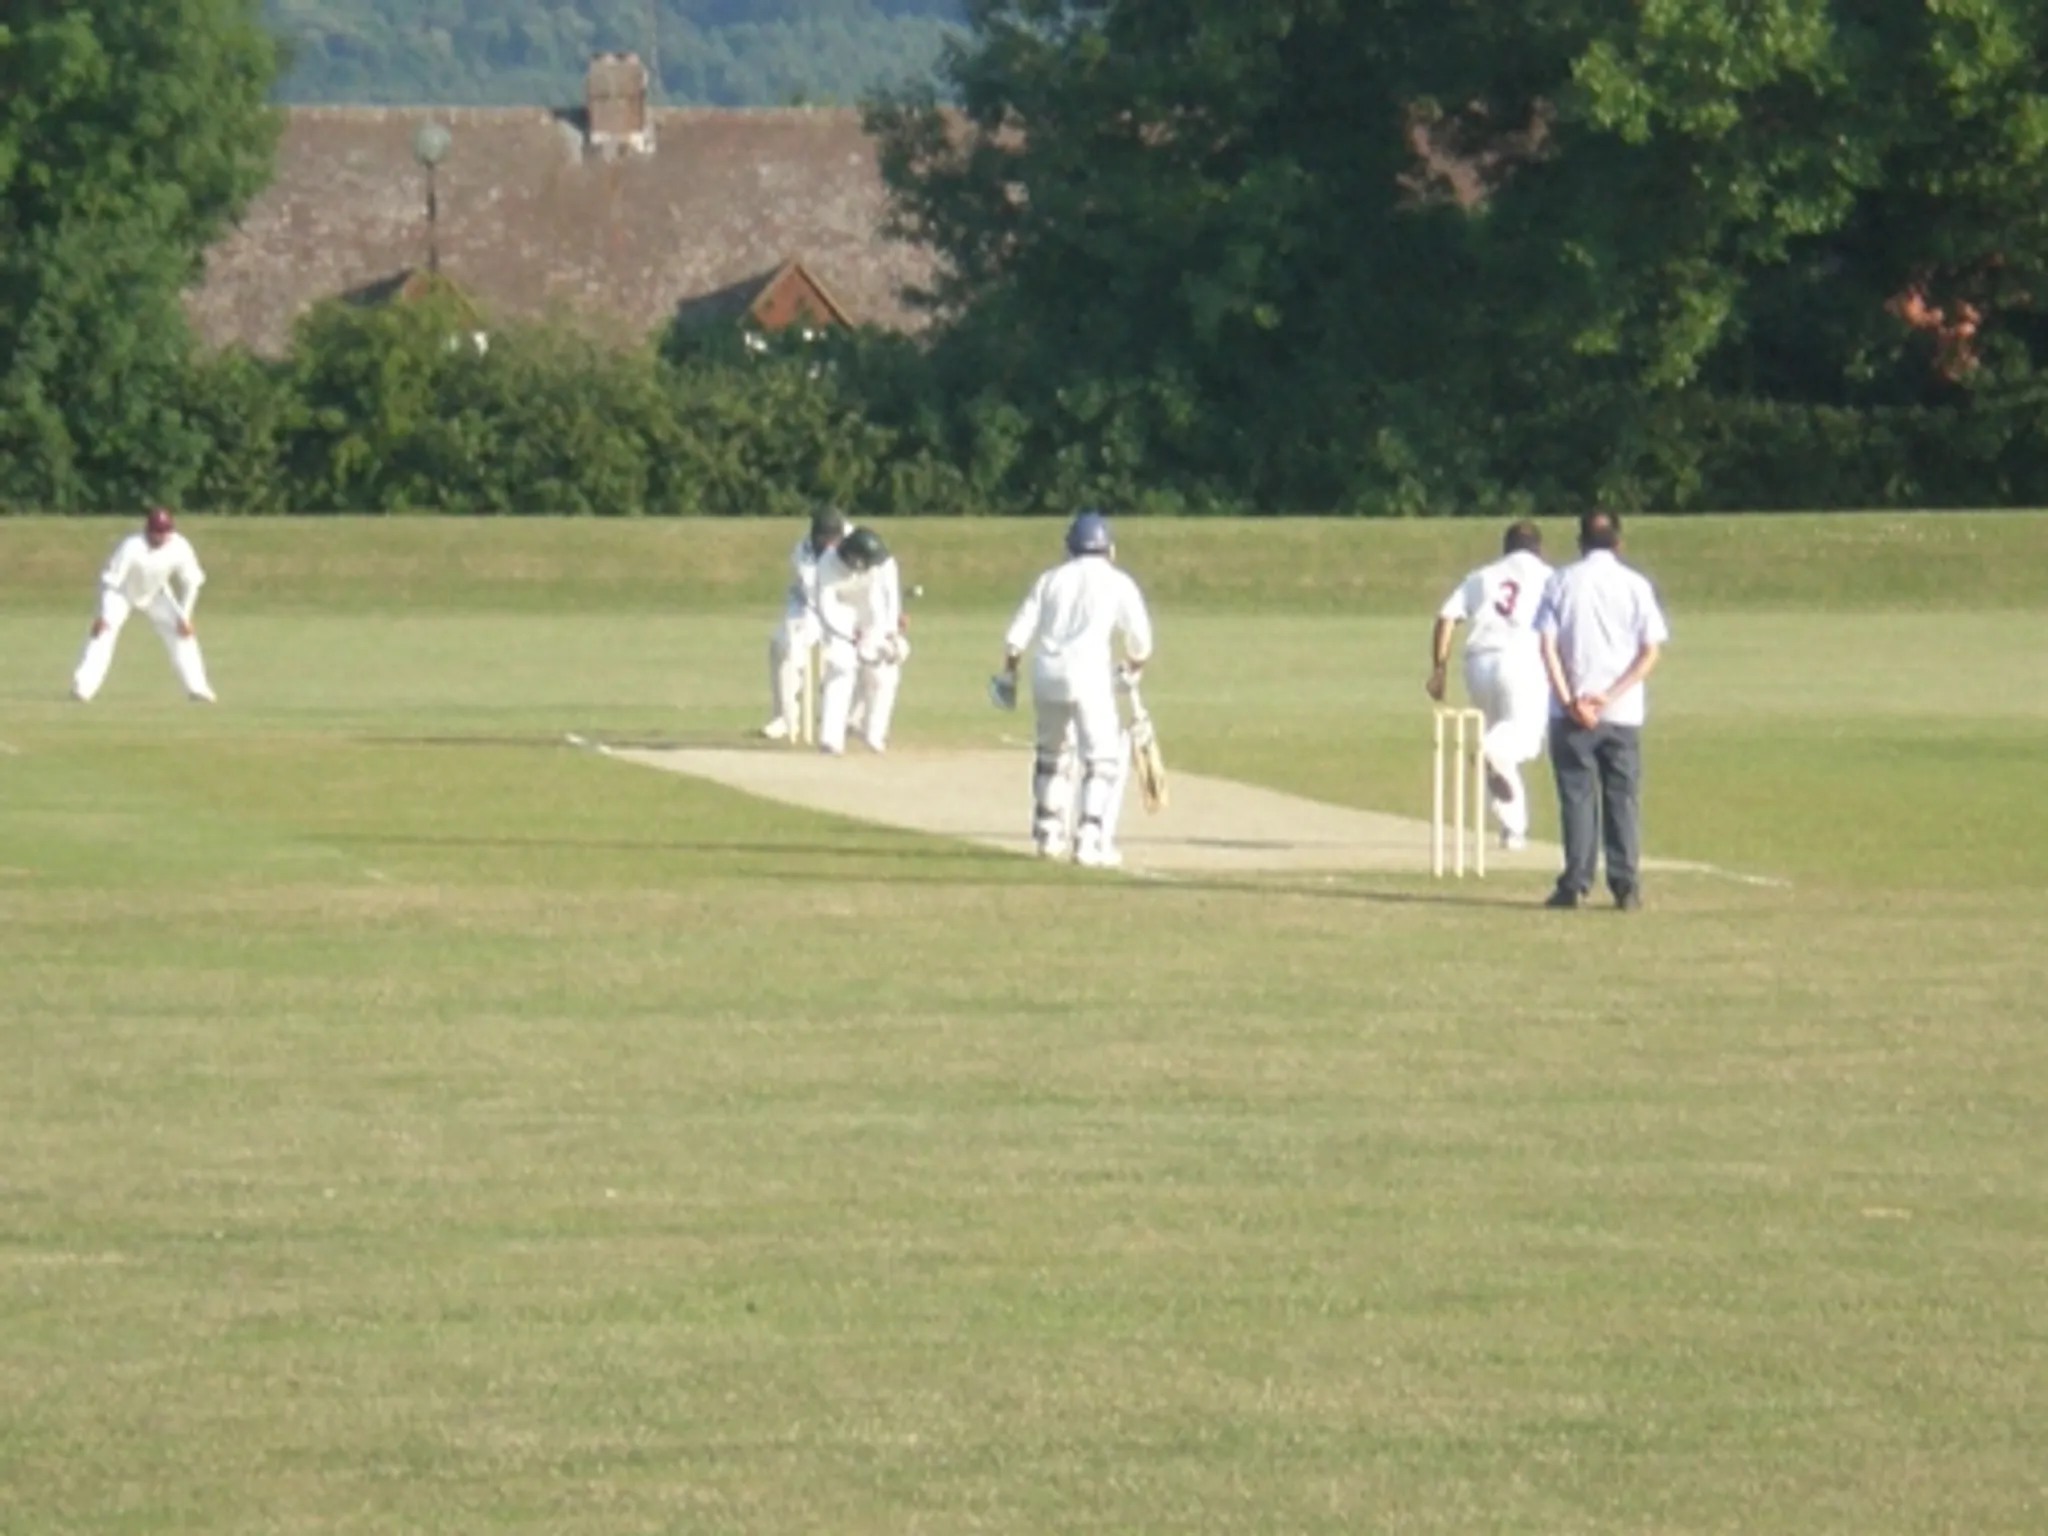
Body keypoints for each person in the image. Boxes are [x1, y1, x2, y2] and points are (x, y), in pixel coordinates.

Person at [993, 509, 1153, 868]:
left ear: (1070, 547)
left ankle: (1048, 835)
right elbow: (1141, 641)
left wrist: (1009, 674)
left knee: (1051, 754)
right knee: (1101, 760)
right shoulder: (1117, 581)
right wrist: (1133, 667)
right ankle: (1088, 840)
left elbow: (1016, 637)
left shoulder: (1050, 579)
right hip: (1090, 676)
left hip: (1046, 674)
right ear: (1108, 548)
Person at [1534, 511, 1671, 910]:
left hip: (1570, 712)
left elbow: (1547, 646)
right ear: (1618, 543)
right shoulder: (1635, 585)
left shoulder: (1560, 581)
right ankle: (1625, 885)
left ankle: (1575, 883)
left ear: (1580, 543)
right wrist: (1608, 697)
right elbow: (1650, 652)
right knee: (1621, 797)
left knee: (1577, 797)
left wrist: (1570, 700)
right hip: (1622, 712)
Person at [1426, 520, 1555, 850]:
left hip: (1478, 663)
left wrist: (1439, 670)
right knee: (1521, 739)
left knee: (1501, 744)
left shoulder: (1483, 575)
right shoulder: (1549, 576)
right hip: (1523, 659)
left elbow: (1446, 618)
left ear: (1506, 547)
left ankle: (1513, 830)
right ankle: (1490, 750)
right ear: (1538, 548)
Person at [71, 506, 217, 704]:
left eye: (165, 532)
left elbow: (192, 581)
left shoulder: (179, 546)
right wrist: (103, 614)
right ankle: (83, 688)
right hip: (121, 593)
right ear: (148, 530)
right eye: (157, 532)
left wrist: (185, 617)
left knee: (182, 634)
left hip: (156, 593)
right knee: (103, 633)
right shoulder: (131, 546)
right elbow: (110, 582)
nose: (161, 537)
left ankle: (198, 688)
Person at [815, 525, 906, 755]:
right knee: (840, 667)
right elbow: (826, 606)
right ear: (854, 558)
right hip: (840, 619)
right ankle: (831, 739)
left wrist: (891, 631)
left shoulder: (881, 562)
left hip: (872, 618)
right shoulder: (827, 565)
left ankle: (874, 734)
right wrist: (848, 634)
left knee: (884, 673)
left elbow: (889, 595)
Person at [761, 505, 848, 740]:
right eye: (824, 539)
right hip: (806, 605)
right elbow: (813, 592)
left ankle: (847, 718)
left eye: (834, 539)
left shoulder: (854, 540)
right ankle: (786, 717)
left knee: (849, 655)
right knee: (784, 645)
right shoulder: (803, 550)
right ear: (815, 535)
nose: (829, 545)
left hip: (845, 603)